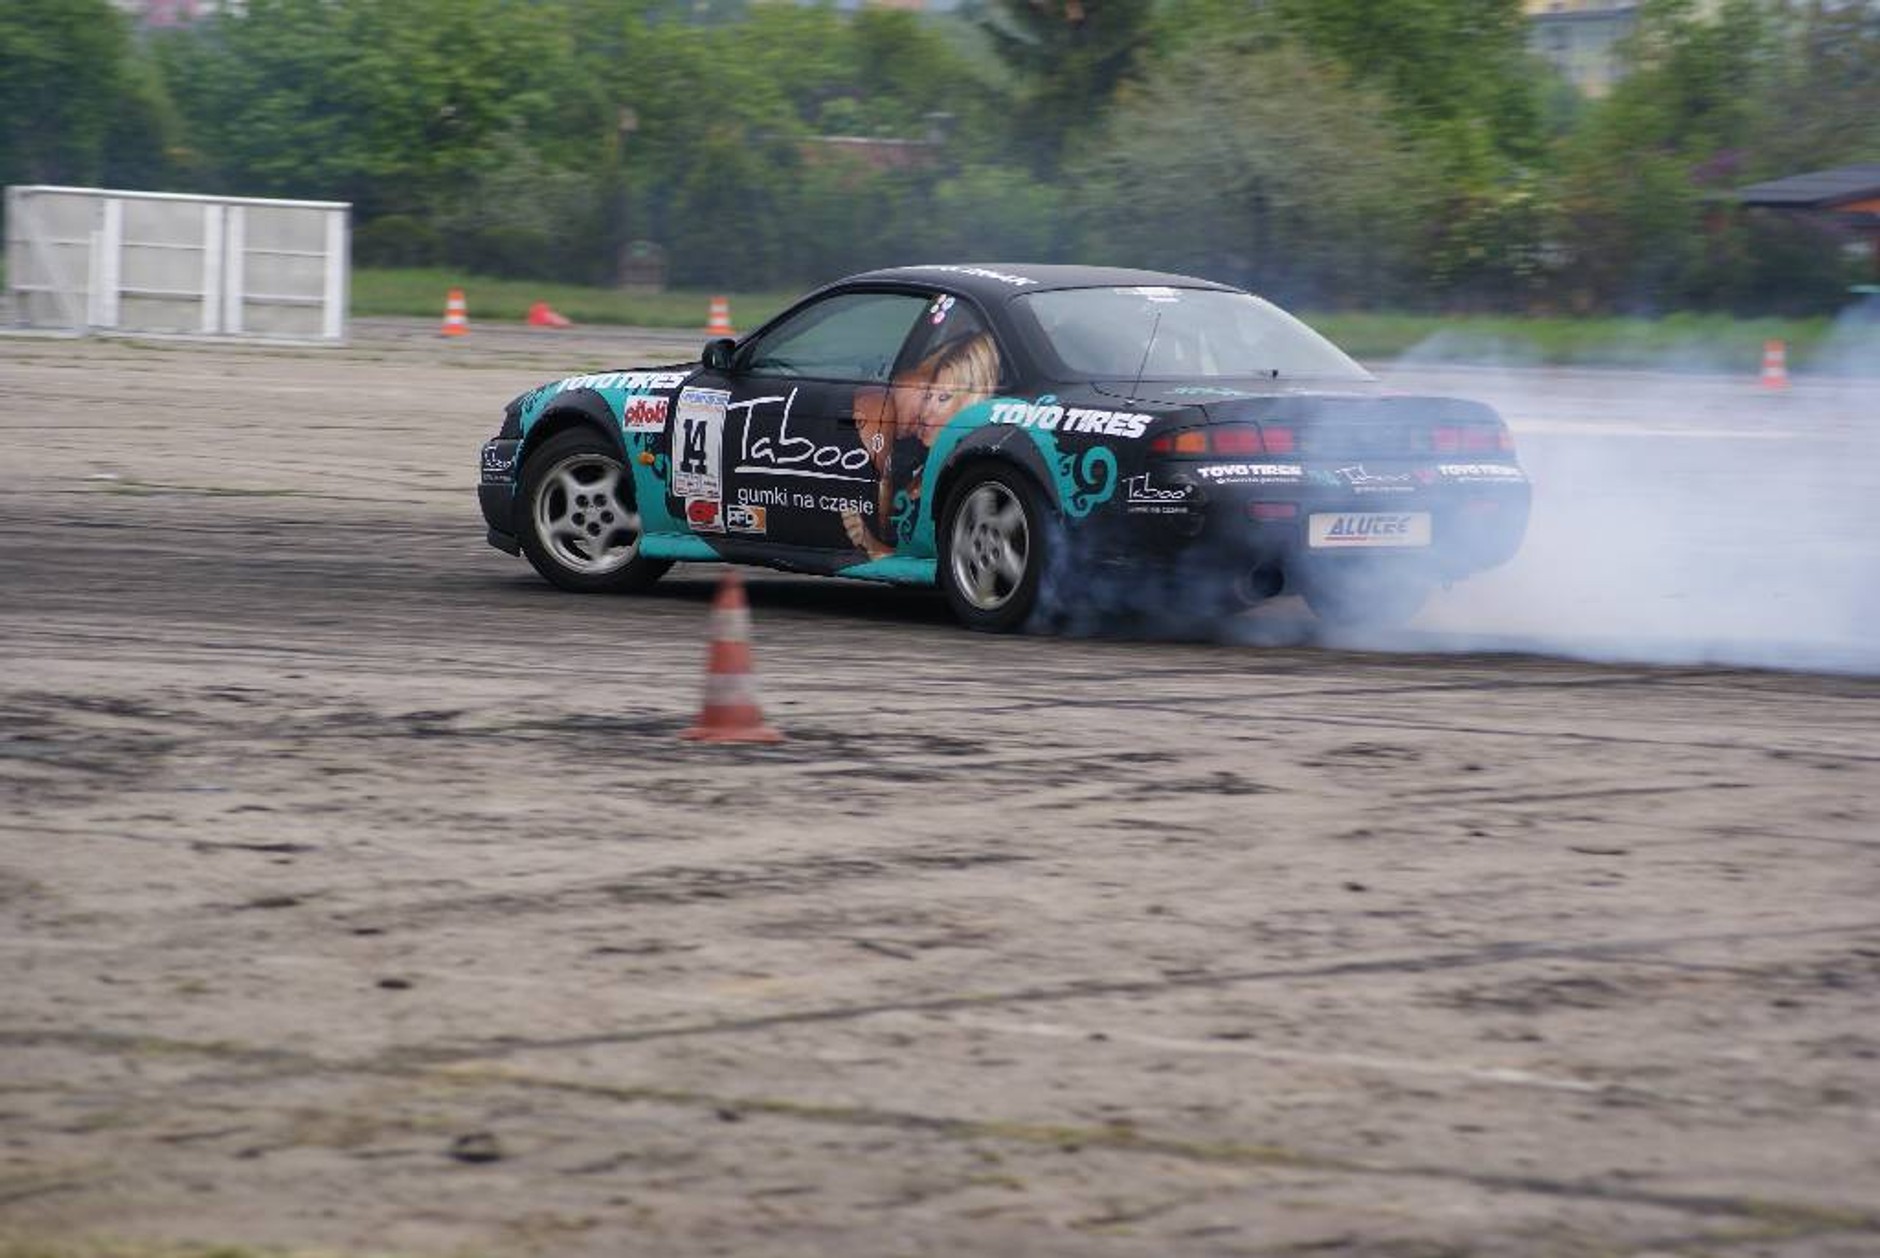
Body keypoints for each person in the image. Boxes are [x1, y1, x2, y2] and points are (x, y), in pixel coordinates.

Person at [843, 330, 1000, 560]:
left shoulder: (967, 480)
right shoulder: (919, 464)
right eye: (928, 397)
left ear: (972, 404)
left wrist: (872, 545)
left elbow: (934, 564)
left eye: (943, 399)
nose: (927, 412)